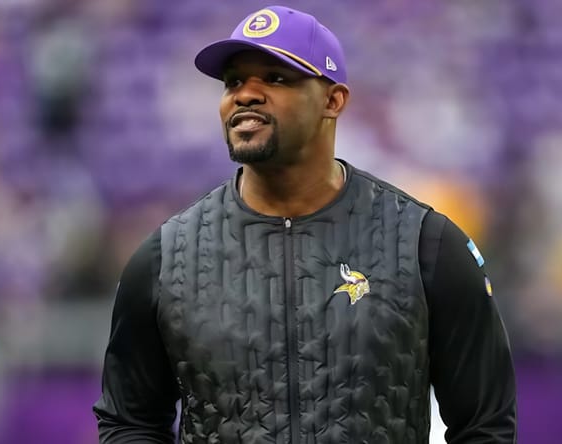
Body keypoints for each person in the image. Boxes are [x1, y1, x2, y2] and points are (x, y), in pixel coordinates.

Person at [93, 5, 516, 443]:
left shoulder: (425, 243)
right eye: (234, 81)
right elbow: (130, 422)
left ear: (333, 101)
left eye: (275, 78)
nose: (246, 95)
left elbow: (485, 425)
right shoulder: (167, 257)